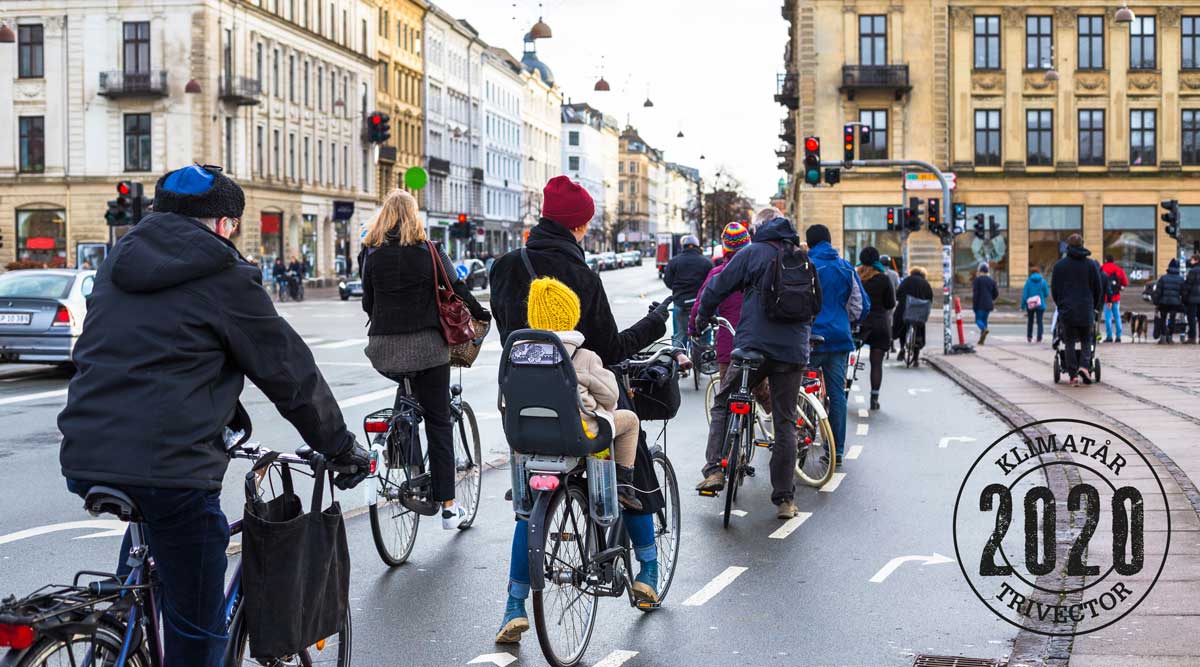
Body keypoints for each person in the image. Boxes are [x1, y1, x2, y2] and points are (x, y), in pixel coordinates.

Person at [57, 164, 370, 667]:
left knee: (150, 563)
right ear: (225, 223)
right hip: (171, 469)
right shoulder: (223, 275)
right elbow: (288, 372)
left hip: (86, 454)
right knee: (197, 628)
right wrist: (338, 446)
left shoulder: (118, 263)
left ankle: (118, 629)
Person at [489, 176, 667, 644]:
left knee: (528, 507)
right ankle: (648, 570)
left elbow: (506, 335)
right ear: (579, 226)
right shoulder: (582, 277)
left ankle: (513, 606)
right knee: (633, 457)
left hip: (523, 412)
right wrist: (653, 324)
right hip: (580, 405)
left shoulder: (504, 268)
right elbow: (610, 350)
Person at [360, 189, 490, 529]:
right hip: (428, 349)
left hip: (383, 350)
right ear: (414, 216)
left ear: (384, 217)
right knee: (438, 421)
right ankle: (448, 506)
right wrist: (481, 314)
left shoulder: (370, 253)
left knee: (406, 392)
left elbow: (367, 303)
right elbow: (457, 288)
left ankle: (406, 455)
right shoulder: (432, 251)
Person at [694, 216, 820, 519]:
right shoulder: (802, 259)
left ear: (760, 232)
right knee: (785, 422)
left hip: (753, 348)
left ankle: (715, 469)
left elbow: (717, 287)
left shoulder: (752, 253)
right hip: (792, 352)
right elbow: (815, 304)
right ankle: (784, 500)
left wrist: (702, 318)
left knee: (724, 401)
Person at [523, 276, 643, 510]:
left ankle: (524, 485)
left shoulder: (518, 354)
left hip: (528, 436)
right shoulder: (583, 356)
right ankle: (623, 485)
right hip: (576, 434)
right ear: (572, 315)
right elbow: (611, 396)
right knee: (630, 421)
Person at [806, 223, 868, 466]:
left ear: (810, 243)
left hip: (809, 338)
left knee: (802, 390)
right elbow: (860, 306)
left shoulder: (806, 265)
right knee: (837, 395)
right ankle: (836, 450)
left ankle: (803, 437)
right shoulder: (846, 267)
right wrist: (845, 321)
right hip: (839, 339)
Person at [1050, 234, 1103, 383]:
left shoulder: (1059, 266)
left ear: (1068, 246)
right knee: (1087, 340)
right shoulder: (1091, 265)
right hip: (1086, 308)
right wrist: (1094, 306)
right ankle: (1085, 367)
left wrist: (1060, 305)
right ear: (1082, 244)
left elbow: (1054, 289)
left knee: (1069, 342)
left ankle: (1073, 374)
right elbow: (1098, 288)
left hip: (1067, 310)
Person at [855, 247, 895, 411]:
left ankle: (844, 390)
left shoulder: (857, 277)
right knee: (876, 363)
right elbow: (890, 304)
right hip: (879, 325)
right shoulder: (883, 279)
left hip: (859, 325)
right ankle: (874, 398)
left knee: (848, 358)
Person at [663, 233, 713, 363]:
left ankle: (678, 364)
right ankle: (703, 362)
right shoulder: (706, 262)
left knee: (680, 335)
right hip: (700, 304)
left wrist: (678, 291)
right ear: (697, 247)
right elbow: (712, 283)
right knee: (704, 332)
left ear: (683, 247)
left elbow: (668, 281)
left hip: (681, 303)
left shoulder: (674, 261)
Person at [893, 266, 933, 356]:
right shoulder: (925, 283)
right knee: (919, 327)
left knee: (902, 326)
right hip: (920, 310)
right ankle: (916, 357)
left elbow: (898, 293)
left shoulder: (906, 280)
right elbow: (930, 298)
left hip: (905, 308)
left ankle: (902, 348)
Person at [1152, 258, 1186, 344]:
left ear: (1169, 267)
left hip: (1163, 302)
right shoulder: (1180, 279)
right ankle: (1170, 337)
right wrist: (1183, 302)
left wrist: (1156, 302)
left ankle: (1163, 337)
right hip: (1175, 303)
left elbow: (1158, 292)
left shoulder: (1163, 278)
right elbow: (1183, 292)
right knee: (1172, 319)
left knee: (1163, 319)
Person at [1100, 255, 1129, 342]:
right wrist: (1119, 286)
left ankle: (1109, 336)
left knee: (1108, 317)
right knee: (1117, 316)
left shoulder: (1102, 268)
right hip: (1116, 297)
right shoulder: (1118, 269)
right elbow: (1125, 282)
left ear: (1106, 260)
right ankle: (1118, 336)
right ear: (1113, 261)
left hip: (1106, 297)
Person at [1021, 266, 1050, 343]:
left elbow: (1025, 294)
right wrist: (1041, 296)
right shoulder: (1043, 281)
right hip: (1040, 304)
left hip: (1030, 304)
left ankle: (1029, 337)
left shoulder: (1028, 281)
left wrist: (1023, 305)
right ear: (1039, 272)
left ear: (1031, 273)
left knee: (1030, 321)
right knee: (1039, 321)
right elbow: (1047, 294)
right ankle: (1039, 337)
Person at [972, 262, 999, 344]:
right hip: (988, 304)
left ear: (981, 271)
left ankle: (983, 329)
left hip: (980, 304)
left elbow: (976, 294)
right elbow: (996, 293)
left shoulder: (977, 280)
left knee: (978, 320)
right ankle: (982, 340)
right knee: (984, 320)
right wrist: (991, 298)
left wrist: (974, 305)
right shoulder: (991, 281)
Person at [1185, 254, 1200, 343]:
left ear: (1196, 260)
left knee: (1191, 318)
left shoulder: (1192, 271)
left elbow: (1188, 285)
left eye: (1191, 260)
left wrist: (1185, 296)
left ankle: (1192, 337)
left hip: (1193, 298)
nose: (1190, 261)